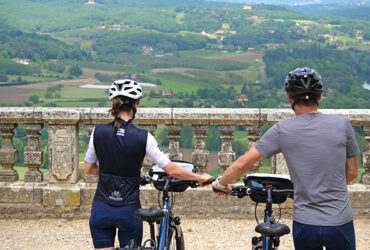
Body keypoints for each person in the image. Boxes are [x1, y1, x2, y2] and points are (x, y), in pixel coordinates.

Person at [212, 68, 359, 250]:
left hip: (306, 222)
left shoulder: (283, 129)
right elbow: (352, 172)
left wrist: (220, 183)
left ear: (290, 98)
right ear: (319, 96)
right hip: (340, 220)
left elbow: (243, 163)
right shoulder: (342, 124)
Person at [84, 79, 212, 250]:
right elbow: (171, 169)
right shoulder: (143, 137)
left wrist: (110, 172)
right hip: (128, 210)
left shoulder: (97, 132)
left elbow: (89, 169)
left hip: (101, 207)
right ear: (135, 104)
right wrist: (199, 178)